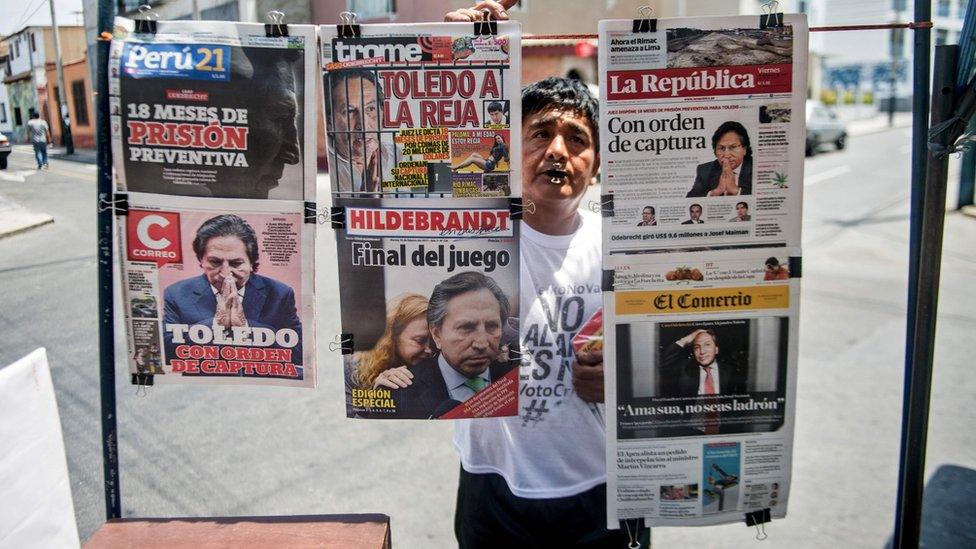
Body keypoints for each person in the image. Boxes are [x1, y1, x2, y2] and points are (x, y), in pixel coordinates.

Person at [448, 5, 648, 544]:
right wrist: (472, 45)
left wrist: (625, 379)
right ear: (511, 148)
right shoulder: (474, 232)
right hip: (494, 490)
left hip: (605, 489)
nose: (558, 150)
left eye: (577, 139)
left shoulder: (625, 243)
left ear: (599, 162)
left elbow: (676, 344)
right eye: (540, 134)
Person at [162, 214, 302, 370]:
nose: (225, 273)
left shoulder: (280, 294)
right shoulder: (177, 294)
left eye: (236, 263)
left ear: (252, 263)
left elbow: (299, 354)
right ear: (201, 260)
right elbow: (165, 353)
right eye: (215, 262)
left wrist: (245, 327)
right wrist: (216, 325)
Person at [390, 271, 517, 419]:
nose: (482, 344)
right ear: (436, 334)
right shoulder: (399, 394)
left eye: (492, 326)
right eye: (466, 327)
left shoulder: (518, 380)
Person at [344, 293, 433, 415]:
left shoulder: (435, 365)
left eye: (433, 341)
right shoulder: (353, 369)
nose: (430, 350)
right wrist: (378, 400)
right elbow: (352, 427)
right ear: (392, 336)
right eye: (420, 340)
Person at [326, 69, 396, 192]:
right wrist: (365, 200)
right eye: (349, 111)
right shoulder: (322, 171)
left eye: (371, 108)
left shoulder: (401, 157)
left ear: (382, 113)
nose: (363, 125)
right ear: (329, 123)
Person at [660, 329, 746, 398]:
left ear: (716, 350)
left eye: (707, 345)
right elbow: (666, 362)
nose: (702, 351)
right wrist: (686, 339)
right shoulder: (685, 370)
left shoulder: (730, 371)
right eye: (697, 347)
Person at [687, 121, 753, 197]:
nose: (726, 155)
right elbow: (690, 200)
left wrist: (736, 190)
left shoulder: (756, 167)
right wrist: (715, 192)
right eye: (721, 148)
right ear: (715, 152)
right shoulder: (705, 170)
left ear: (744, 149)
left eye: (733, 147)